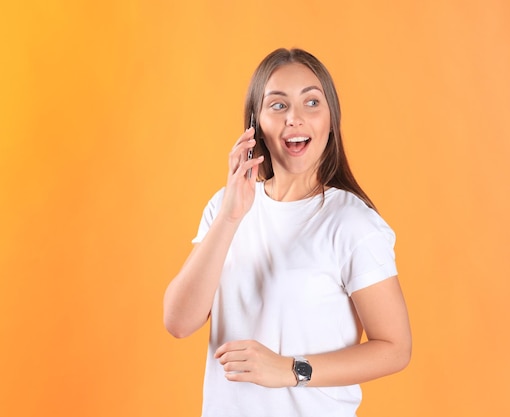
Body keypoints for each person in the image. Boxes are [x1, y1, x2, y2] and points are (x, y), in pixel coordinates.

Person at [163, 47, 412, 417]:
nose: (295, 118)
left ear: (331, 120)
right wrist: (230, 217)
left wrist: (290, 369)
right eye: (278, 106)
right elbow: (179, 322)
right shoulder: (226, 206)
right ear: (255, 123)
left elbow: (394, 348)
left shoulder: (350, 223)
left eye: (311, 102)